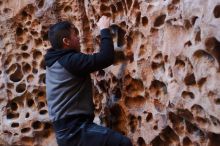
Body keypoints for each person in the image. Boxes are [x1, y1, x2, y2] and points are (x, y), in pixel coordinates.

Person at [45, 16, 133, 146]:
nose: (78, 38)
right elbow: (106, 58)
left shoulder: (54, 61)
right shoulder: (70, 61)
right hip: (75, 131)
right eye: (75, 35)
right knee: (123, 144)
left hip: (67, 131)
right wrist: (104, 29)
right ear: (66, 41)